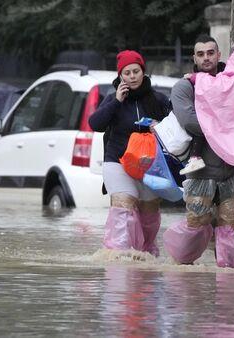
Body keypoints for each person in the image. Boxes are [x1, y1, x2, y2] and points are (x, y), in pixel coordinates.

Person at [163, 35, 234, 268]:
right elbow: (189, 121)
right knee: (197, 223)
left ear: (219, 54)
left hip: (232, 169)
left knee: (232, 225)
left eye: (210, 53)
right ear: (194, 57)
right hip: (200, 171)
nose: (206, 58)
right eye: (200, 54)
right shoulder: (184, 86)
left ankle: (231, 285)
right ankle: (178, 271)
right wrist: (227, 124)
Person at [89, 50, 171, 257]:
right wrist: (117, 101)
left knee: (149, 215)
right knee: (123, 208)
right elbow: (95, 124)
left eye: (136, 71)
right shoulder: (112, 99)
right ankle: (118, 255)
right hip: (117, 162)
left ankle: (144, 254)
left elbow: (176, 130)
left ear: (143, 72)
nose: (132, 76)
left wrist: (160, 126)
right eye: (127, 73)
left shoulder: (159, 100)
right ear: (120, 76)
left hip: (151, 166)